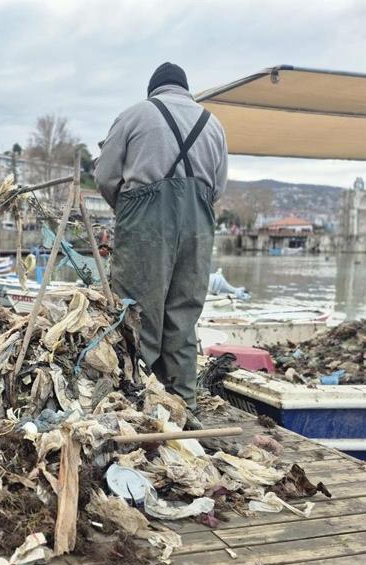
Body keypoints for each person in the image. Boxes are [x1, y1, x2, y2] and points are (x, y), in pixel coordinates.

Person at [94, 62, 228, 427]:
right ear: (186, 89)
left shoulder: (134, 116)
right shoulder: (213, 124)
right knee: (184, 313)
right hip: (198, 222)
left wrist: (128, 205)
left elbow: (105, 176)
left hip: (146, 220)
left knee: (139, 312)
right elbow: (218, 187)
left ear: (153, 90)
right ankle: (185, 406)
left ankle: (139, 404)